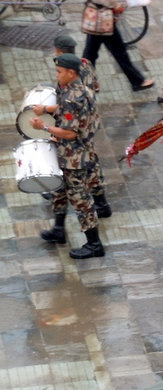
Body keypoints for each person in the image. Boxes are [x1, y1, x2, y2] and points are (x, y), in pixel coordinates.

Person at [29, 54, 105, 259]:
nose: (57, 75)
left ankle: (94, 244)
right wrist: (46, 108)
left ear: (71, 73)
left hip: (74, 158)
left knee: (81, 200)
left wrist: (43, 126)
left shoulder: (72, 97)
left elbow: (70, 133)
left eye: (59, 72)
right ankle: (59, 229)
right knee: (59, 191)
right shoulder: (80, 90)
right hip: (75, 152)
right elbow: (65, 110)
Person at [48, 34, 111, 218]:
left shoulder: (70, 90)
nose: (57, 74)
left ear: (59, 51)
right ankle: (102, 204)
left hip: (75, 132)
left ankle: (82, 223)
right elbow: (96, 88)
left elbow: (69, 120)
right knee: (91, 163)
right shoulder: (87, 65)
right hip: (89, 124)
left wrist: (47, 126)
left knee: (77, 184)